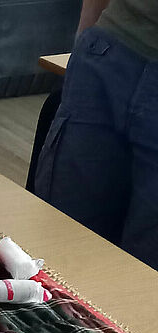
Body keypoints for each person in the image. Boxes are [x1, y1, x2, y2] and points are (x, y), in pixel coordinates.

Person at [34, 0, 158, 269]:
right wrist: (85, 42)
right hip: (112, 47)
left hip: (108, 53)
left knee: (144, 278)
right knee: (58, 245)